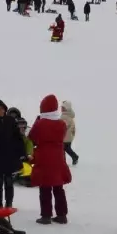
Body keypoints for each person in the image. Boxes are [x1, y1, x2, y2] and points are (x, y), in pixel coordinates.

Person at [29, 94, 71, 224]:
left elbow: (32, 136)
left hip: (44, 157)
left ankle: (46, 215)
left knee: (45, 187)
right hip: (58, 157)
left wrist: (37, 121)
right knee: (59, 187)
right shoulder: (62, 124)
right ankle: (62, 215)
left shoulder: (40, 123)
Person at [62, 100, 79, 165]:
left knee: (63, 148)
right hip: (68, 136)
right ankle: (74, 157)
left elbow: (63, 126)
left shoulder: (66, 117)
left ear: (67, 108)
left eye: (63, 108)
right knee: (66, 148)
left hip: (66, 137)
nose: (61, 109)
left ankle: (73, 157)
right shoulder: (67, 115)